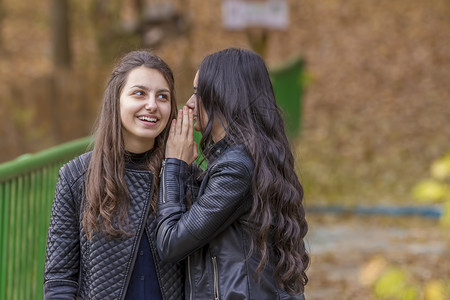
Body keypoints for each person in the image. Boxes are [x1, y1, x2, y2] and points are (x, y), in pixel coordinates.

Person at [156, 48, 309, 299]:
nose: (190, 103)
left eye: (197, 92)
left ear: (224, 95)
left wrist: (173, 164)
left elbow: (171, 243)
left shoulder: (237, 167)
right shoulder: (251, 157)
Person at [44, 50, 184, 299]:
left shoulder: (183, 176)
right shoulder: (76, 177)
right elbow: (59, 279)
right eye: (139, 93)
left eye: (162, 96)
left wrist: (177, 167)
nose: (152, 105)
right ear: (116, 100)